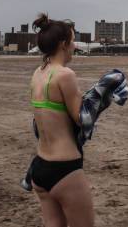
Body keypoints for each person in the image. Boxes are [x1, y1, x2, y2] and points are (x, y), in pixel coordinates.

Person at [27, 14, 94, 227]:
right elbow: (82, 119)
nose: (74, 46)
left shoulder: (38, 73)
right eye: (73, 41)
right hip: (65, 168)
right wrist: (101, 95)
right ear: (64, 45)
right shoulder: (65, 75)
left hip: (40, 167)